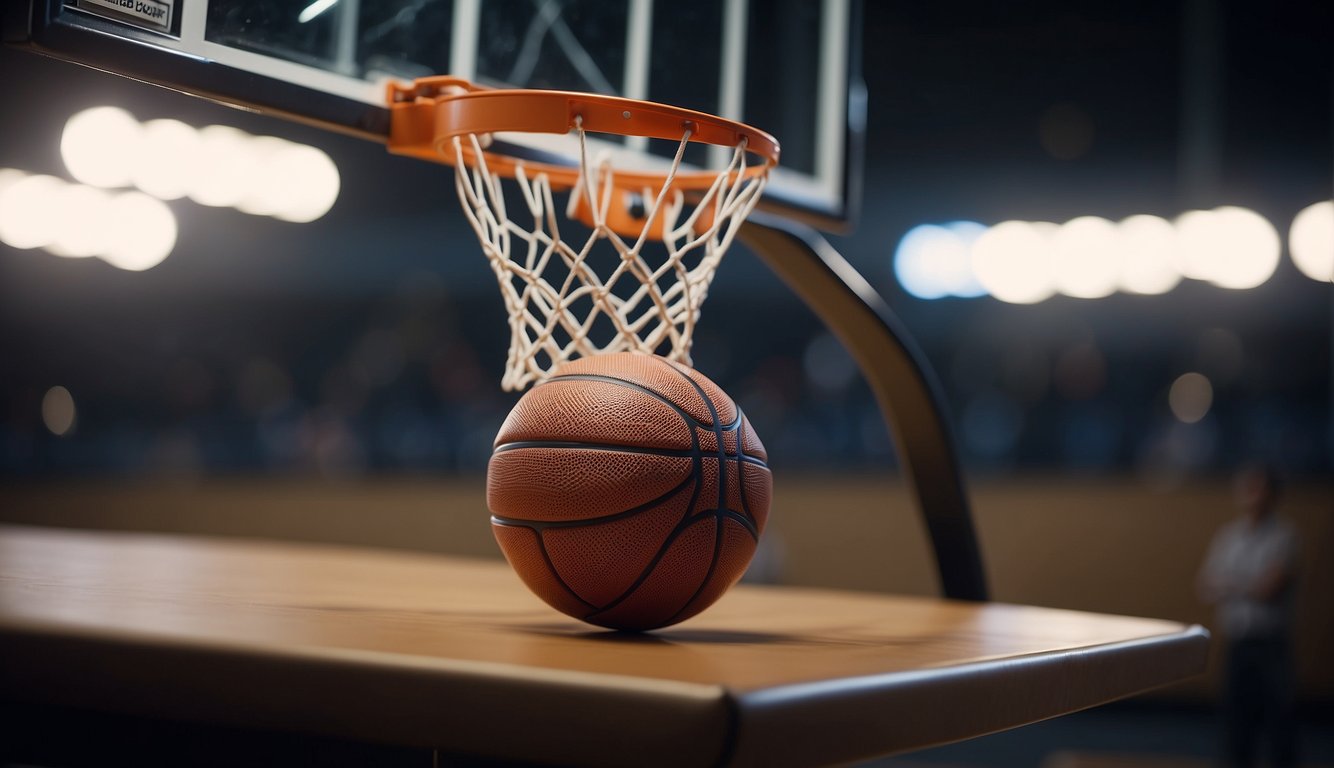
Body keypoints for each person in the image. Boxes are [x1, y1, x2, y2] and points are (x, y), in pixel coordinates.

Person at [1197, 464, 1300, 768]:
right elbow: (1205, 584)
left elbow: (1271, 589)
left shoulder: (1285, 536)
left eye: (1258, 488)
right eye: (1246, 488)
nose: (1251, 495)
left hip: (1270, 644)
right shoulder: (1228, 536)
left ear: (1272, 494)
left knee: (1279, 722)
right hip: (1236, 642)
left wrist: (1230, 583)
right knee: (1235, 724)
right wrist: (1248, 584)